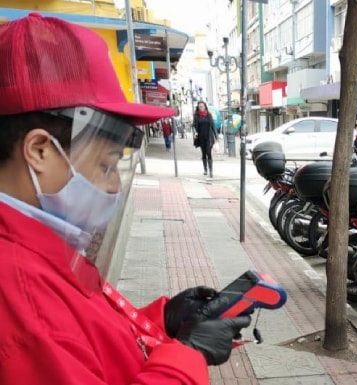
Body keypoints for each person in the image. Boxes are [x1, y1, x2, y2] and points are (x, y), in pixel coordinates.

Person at [0, 14, 250, 384]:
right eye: (105, 164)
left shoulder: (39, 248)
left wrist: (162, 321)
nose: (115, 185)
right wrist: (188, 356)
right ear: (39, 150)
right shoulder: (21, 299)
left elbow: (89, 341)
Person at [193, 101, 216, 177]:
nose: (201, 107)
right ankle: (205, 169)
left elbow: (213, 126)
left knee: (209, 153)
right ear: (198, 107)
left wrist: (217, 137)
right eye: (200, 106)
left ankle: (211, 171)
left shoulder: (209, 115)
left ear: (205, 106)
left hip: (209, 137)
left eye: (202, 106)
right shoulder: (196, 116)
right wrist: (195, 132)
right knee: (203, 154)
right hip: (201, 138)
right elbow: (194, 126)